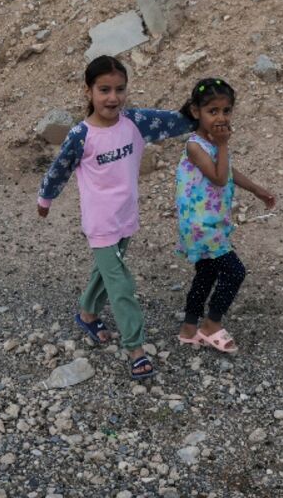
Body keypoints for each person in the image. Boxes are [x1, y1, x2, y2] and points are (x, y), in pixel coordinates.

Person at [37, 55, 195, 380]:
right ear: (88, 91)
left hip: (126, 217)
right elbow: (59, 170)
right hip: (100, 223)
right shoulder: (82, 136)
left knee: (107, 272)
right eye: (104, 89)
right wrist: (45, 199)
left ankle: (87, 313)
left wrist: (200, 109)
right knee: (121, 283)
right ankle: (136, 349)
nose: (113, 97)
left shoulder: (135, 122)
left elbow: (172, 122)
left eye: (119, 89)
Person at [174, 78, 275, 353]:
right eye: (213, 111)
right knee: (234, 272)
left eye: (226, 111)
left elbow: (227, 170)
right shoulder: (196, 146)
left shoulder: (212, 144)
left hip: (210, 221)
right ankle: (211, 325)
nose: (221, 117)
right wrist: (222, 143)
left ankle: (189, 328)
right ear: (197, 112)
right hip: (202, 225)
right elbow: (219, 178)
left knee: (206, 273)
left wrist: (256, 189)